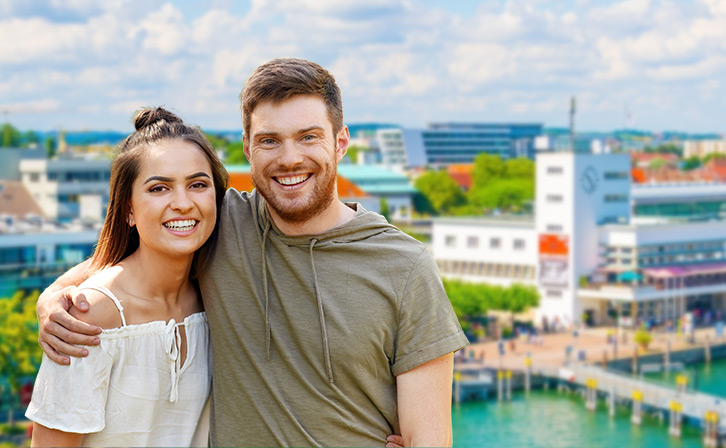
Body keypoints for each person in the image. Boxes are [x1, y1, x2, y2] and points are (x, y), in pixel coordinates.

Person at [36, 58, 468, 446]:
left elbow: (427, 438)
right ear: (247, 147)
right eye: (270, 141)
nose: (290, 158)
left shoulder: (405, 265)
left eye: (308, 137)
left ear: (340, 142)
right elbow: (149, 241)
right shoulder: (221, 220)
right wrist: (53, 296)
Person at [27, 108, 228, 447]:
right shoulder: (90, 316)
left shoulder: (215, 294)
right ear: (128, 210)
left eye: (197, 184)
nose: (182, 203)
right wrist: (55, 293)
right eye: (159, 188)